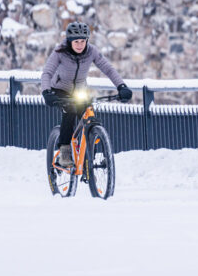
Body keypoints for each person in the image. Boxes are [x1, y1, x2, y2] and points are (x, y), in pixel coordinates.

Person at [41, 21, 132, 167]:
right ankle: (64, 150)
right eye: (76, 41)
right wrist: (46, 92)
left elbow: (108, 69)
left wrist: (121, 86)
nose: (79, 44)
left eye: (83, 41)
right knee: (70, 112)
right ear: (69, 41)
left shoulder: (91, 52)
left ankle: (90, 154)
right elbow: (47, 73)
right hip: (60, 90)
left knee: (90, 117)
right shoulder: (60, 52)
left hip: (80, 91)